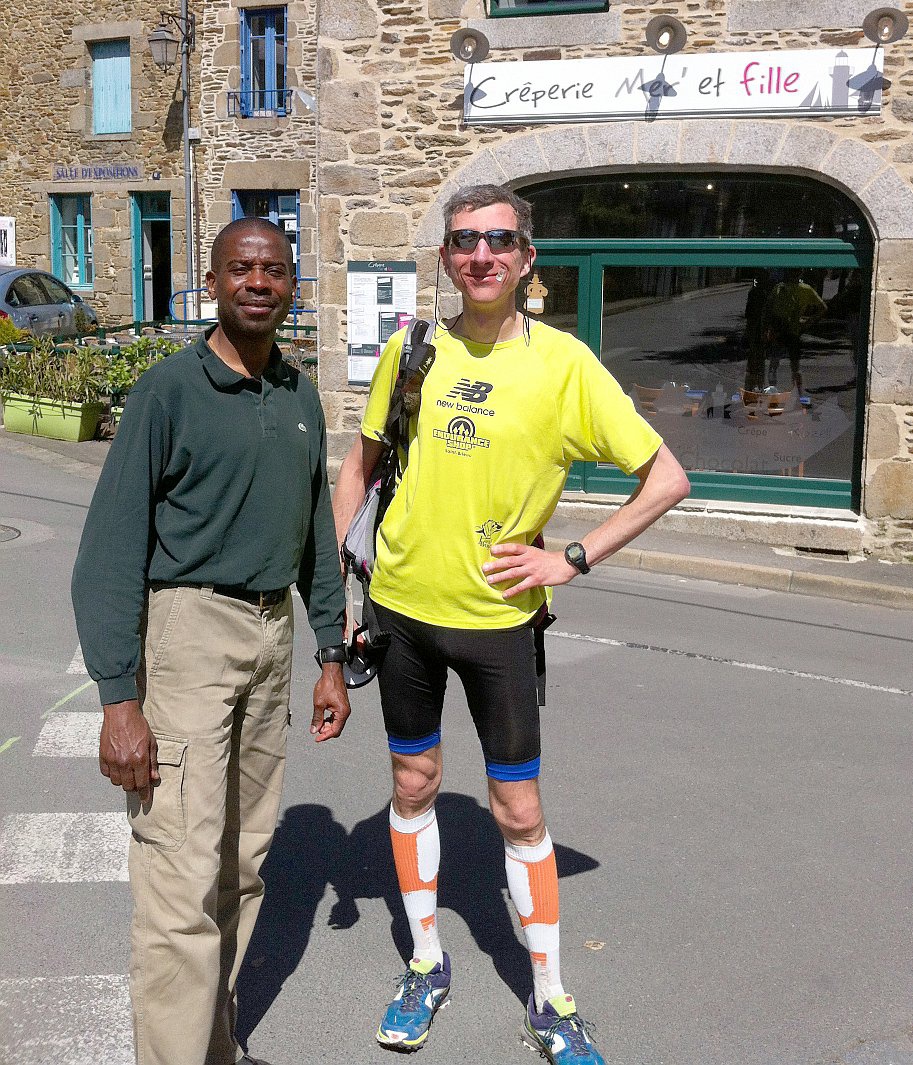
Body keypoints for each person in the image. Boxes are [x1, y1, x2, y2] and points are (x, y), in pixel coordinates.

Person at [333, 184, 690, 1064]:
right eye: (463, 241)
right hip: (401, 613)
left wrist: (568, 558)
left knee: (517, 807)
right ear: (447, 257)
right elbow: (358, 464)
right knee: (413, 784)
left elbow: (666, 477)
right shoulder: (412, 349)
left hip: (498, 621)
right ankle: (424, 962)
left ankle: (551, 997)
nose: (480, 255)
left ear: (526, 258)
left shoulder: (564, 364)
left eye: (498, 240)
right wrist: (352, 572)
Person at [71, 217, 351, 1065]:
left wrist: (330, 652)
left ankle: (213, 1047)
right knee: (177, 881)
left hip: (271, 637)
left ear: (291, 283)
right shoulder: (168, 391)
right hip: (187, 632)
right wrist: (120, 700)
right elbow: (108, 553)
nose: (258, 282)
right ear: (213, 280)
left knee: (241, 866)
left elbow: (314, 537)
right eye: (242, 268)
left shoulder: (298, 394)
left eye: (273, 269)